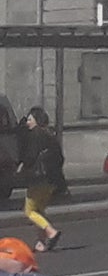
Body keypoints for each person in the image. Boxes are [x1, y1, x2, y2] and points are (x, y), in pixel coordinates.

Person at [18, 107, 63, 253]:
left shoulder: (35, 134)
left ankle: (51, 231)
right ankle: (41, 243)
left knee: (29, 211)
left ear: (37, 120)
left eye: (30, 119)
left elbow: (30, 156)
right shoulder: (51, 135)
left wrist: (22, 166)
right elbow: (61, 158)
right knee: (40, 212)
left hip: (38, 179)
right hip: (51, 180)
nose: (27, 123)